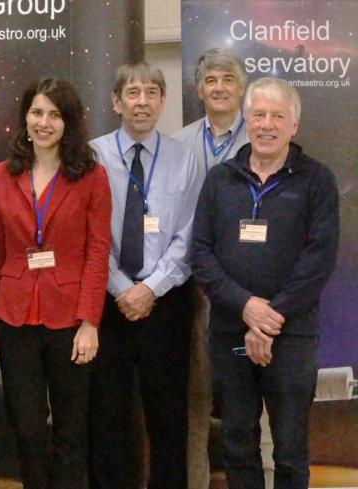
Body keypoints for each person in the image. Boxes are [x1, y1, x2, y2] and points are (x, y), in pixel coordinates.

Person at [192, 77, 339, 489]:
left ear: (294, 125)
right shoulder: (220, 180)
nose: (267, 124)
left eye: (278, 116)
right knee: (238, 444)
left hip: (291, 335)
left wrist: (269, 318)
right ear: (246, 120)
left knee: (291, 449)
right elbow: (201, 254)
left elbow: (319, 259)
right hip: (230, 334)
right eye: (259, 114)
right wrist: (246, 307)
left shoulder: (317, 181)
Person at [0, 78, 111, 489]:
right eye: (37, 113)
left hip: (71, 319)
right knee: (27, 429)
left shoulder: (92, 176)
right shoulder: (1, 175)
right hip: (16, 317)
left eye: (55, 115)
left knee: (72, 431)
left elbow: (97, 251)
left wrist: (90, 320)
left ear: (68, 122)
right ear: (25, 118)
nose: (45, 122)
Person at [89, 61, 204, 489]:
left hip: (167, 301)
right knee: (109, 414)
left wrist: (150, 289)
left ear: (163, 101)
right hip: (106, 300)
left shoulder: (184, 159)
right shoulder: (91, 155)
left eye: (151, 92)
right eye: (133, 93)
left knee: (168, 415)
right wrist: (122, 288)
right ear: (116, 102)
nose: (142, 102)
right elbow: (87, 235)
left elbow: (191, 234)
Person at [173, 47, 249, 489]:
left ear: (241, 88)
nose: (218, 88)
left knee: (251, 401)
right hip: (194, 292)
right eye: (210, 80)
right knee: (194, 405)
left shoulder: (261, 136)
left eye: (227, 80)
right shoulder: (179, 143)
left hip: (246, 294)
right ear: (199, 89)